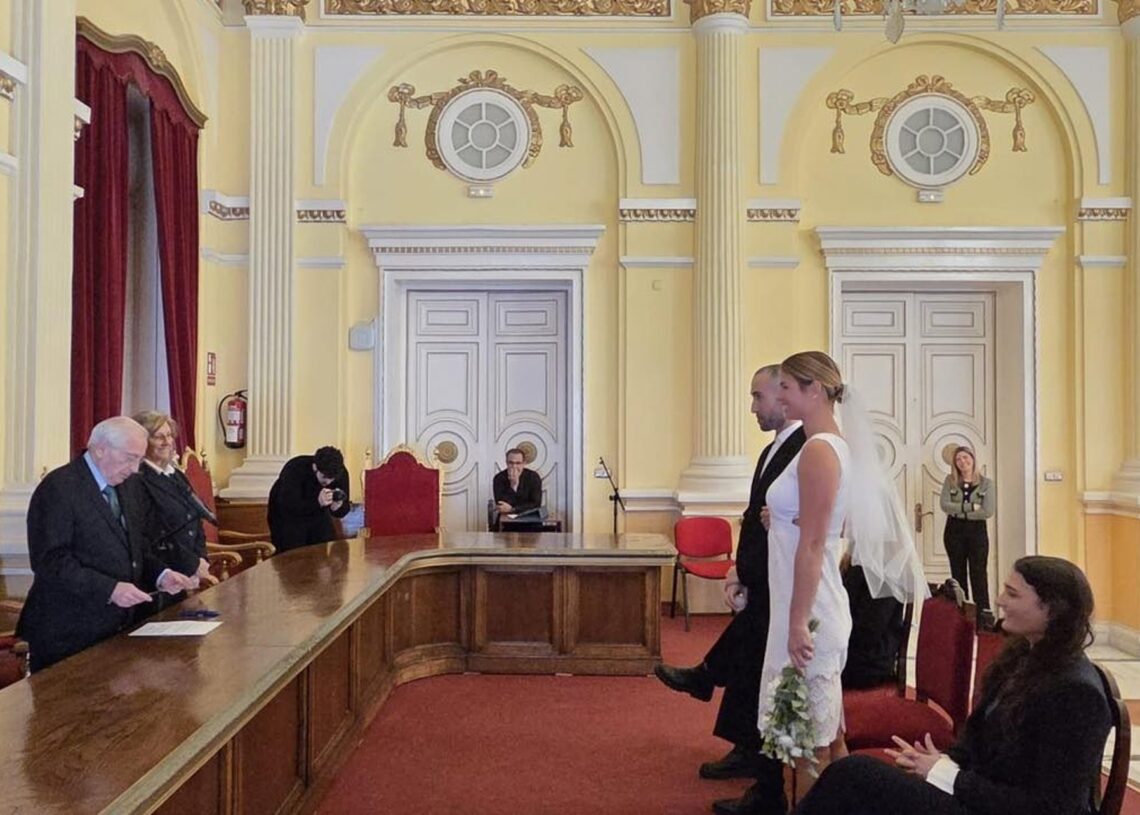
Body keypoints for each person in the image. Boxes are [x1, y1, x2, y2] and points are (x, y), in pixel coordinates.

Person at [793, 556, 1112, 815]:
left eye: (1013, 594)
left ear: (1052, 610)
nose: (999, 601)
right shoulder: (1021, 658)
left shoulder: (1075, 692)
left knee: (853, 775)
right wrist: (945, 760)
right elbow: (980, 740)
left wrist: (949, 776)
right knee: (851, 782)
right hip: (976, 794)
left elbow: (1052, 807)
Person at [653, 365, 805, 814]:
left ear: (784, 396)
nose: (753, 407)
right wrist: (739, 569)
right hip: (761, 571)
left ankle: (706, 678)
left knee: (756, 663)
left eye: (758, 397)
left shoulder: (805, 447)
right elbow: (753, 513)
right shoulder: (771, 450)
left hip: (783, 576)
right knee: (748, 664)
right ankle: (743, 744)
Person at [17, 417, 199, 672]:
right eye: (129, 458)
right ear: (100, 449)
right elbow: (50, 562)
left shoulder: (129, 485)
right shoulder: (60, 488)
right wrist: (110, 589)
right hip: (69, 632)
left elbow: (137, 547)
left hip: (119, 629)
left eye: (139, 458)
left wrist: (161, 574)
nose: (135, 468)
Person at [132, 411, 215, 589]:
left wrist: (201, 559)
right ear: (142, 442)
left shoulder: (176, 475)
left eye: (169, 435)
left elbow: (195, 519)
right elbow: (153, 534)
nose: (167, 442)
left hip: (190, 572)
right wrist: (192, 564)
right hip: (162, 575)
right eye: (158, 437)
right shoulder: (138, 480)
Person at [940, 446, 996, 618]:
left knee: (979, 575)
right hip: (954, 531)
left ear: (973, 459)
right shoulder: (950, 481)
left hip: (977, 532)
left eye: (965, 458)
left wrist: (958, 511)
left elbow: (987, 511)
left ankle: (983, 619)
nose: (962, 462)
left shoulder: (987, 483)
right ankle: (961, 618)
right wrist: (970, 507)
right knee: (958, 575)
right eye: (958, 459)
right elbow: (945, 505)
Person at [267, 446, 351, 553]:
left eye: (332, 478)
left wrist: (337, 507)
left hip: (318, 518)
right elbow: (287, 506)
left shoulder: (341, 473)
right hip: (286, 518)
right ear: (315, 467)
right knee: (292, 558)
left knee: (323, 553)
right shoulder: (294, 468)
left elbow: (343, 509)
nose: (328, 482)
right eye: (324, 477)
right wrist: (318, 503)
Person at [840, 550, 904, 690]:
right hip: (853, 650)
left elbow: (867, 633)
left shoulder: (886, 573)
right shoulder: (857, 564)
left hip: (869, 662)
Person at [493, 448, 543, 518]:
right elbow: (502, 505)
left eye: (518, 463)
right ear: (506, 463)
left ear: (524, 463)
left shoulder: (533, 477)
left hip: (530, 519)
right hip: (506, 520)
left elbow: (536, 504)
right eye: (511, 463)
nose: (514, 466)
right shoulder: (499, 478)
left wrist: (513, 509)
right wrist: (513, 485)